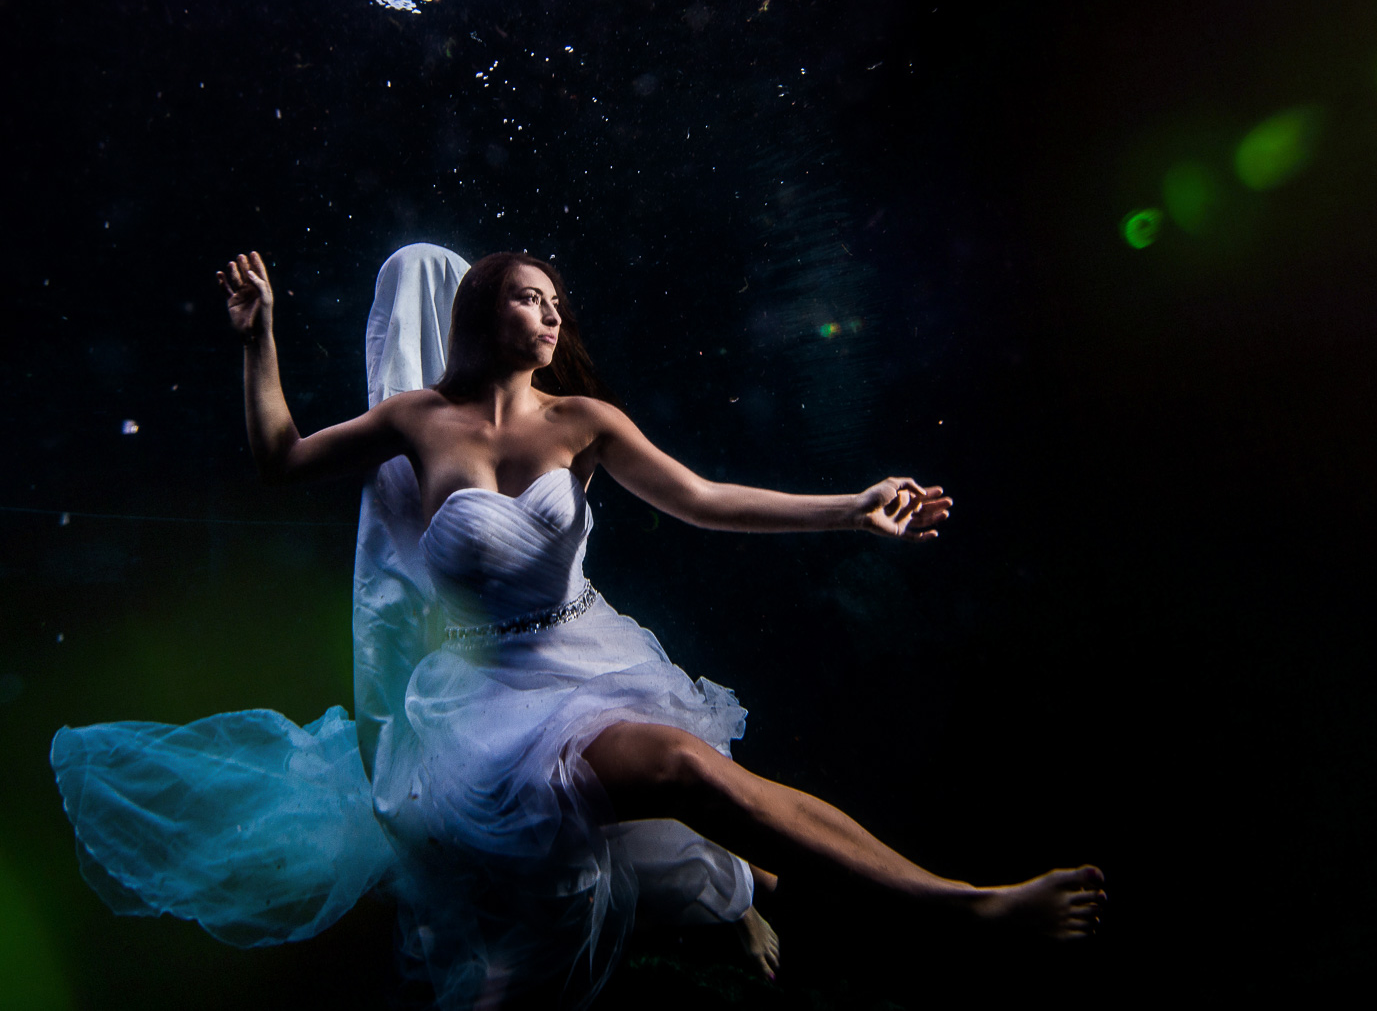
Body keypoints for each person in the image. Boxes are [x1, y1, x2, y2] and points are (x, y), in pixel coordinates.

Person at [52, 244, 1105, 1010]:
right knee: (609, 863)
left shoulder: (581, 422)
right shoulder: (417, 421)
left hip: (586, 656)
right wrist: (260, 338)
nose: (551, 318)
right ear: (476, 307)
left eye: (557, 304)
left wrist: (852, 505)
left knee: (696, 782)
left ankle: (959, 906)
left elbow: (706, 498)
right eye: (527, 297)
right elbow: (279, 460)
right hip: (483, 694)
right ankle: (823, 903)